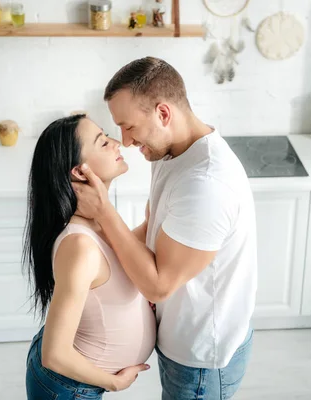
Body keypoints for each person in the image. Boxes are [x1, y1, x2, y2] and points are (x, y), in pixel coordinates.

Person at [73, 56, 257, 399]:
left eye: (129, 126)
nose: (125, 141)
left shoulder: (206, 184)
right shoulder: (171, 153)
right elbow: (153, 227)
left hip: (202, 359)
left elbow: (158, 286)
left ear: (163, 113)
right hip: (183, 341)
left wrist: (103, 211)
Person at [23, 114, 156, 400]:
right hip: (68, 388)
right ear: (80, 172)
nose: (118, 143)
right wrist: (114, 383)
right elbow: (54, 355)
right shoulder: (78, 245)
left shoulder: (97, 218)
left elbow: (109, 263)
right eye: (103, 142)